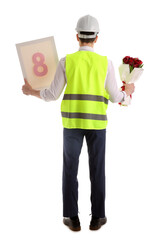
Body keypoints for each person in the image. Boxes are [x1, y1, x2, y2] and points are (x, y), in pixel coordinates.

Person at [22, 15, 135, 231]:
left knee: (69, 169)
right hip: (97, 126)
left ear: (77, 36)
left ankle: (72, 218)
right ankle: (98, 217)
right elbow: (115, 97)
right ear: (96, 38)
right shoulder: (105, 63)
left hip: (72, 124)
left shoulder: (67, 61)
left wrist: (30, 91)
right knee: (97, 169)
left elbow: (51, 95)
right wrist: (128, 92)